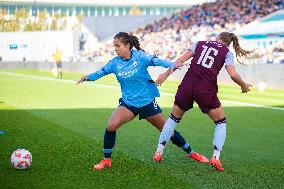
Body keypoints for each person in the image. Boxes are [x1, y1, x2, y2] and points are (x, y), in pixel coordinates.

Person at [77, 32, 208, 171]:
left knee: (167, 130)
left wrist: (173, 64)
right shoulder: (114, 63)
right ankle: (106, 160)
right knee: (111, 126)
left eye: (118, 45)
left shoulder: (140, 56)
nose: (115, 49)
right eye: (114, 46)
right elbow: (100, 72)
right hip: (128, 104)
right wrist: (88, 77)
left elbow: (157, 61)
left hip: (147, 102)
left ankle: (191, 153)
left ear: (127, 45)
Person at [153, 32, 253, 172]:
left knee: (173, 118)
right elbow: (233, 74)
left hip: (187, 85)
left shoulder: (199, 43)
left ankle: (158, 152)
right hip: (205, 88)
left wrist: (165, 75)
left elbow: (179, 61)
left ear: (218, 38)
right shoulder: (227, 52)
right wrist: (243, 85)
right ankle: (215, 157)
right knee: (220, 121)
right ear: (229, 43)